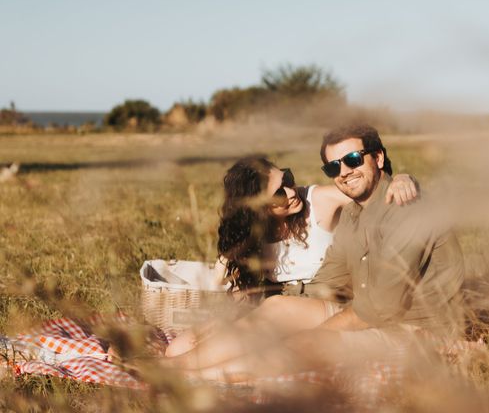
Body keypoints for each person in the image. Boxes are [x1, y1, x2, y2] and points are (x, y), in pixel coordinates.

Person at [166, 124, 464, 381]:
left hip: (415, 329)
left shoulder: (403, 209)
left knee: (302, 345)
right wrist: (280, 316)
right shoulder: (353, 214)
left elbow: (380, 306)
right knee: (276, 312)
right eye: (334, 166)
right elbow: (331, 280)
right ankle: (179, 367)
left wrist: (314, 332)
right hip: (364, 310)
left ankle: (188, 376)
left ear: (378, 157)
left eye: (352, 160)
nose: (344, 173)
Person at [164, 155, 418, 358]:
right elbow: (247, 295)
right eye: (278, 193)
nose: (291, 191)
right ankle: (191, 370)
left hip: (330, 305)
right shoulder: (252, 235)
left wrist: (402, 179)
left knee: (276, 308)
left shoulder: (319, 200)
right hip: (277, 312)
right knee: (179, 346)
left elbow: (374, 193)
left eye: (287, 178)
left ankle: (177, 373)